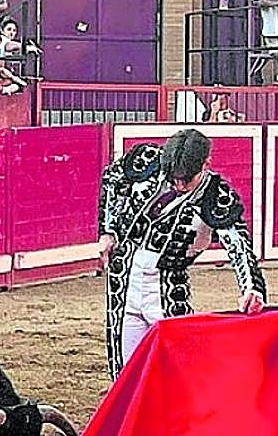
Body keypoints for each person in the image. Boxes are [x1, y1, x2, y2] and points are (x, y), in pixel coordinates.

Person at [97, 128, 266, 380]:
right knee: (124, 376)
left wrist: (252, 287)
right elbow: (113, 179)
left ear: (206, 164)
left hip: (166, 286)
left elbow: (238, 245)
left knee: (175, 373)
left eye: (186, 179)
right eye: (173, 178)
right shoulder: (149, 160)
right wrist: (108, 230)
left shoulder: (216, 196)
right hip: (123, 279)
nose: (178, 185)